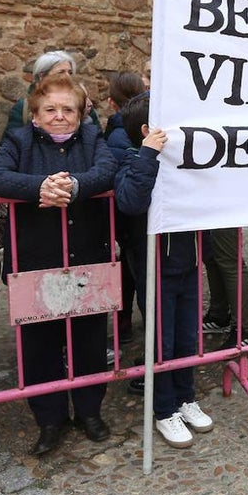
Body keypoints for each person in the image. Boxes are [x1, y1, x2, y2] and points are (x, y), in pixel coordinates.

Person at [0, 74, 118, 456]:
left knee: (88, 340)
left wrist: (73, 186)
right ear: (34, 116)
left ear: (80, 114)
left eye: (67, 109)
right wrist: (39, 187)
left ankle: (89, 411)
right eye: (50, 109)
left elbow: (107, 171)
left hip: (87, 259)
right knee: (40, 345)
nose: (59, 116)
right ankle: (49, 418)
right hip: (36, 260)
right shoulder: (18, 141)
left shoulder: (93, 139)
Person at [113, 93, 215, 448]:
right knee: (163, 342)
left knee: (188, 337)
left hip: (186, 262)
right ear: (147, 131)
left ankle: (186, 397)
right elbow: (130, 201)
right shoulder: (129, 161)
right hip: (155, 268)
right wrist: (147, 155)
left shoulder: (179, 164)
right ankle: (164, 409)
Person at [102, 72, 147, 343]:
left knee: (135, 276)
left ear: (111, 101)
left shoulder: (116, 133)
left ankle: (125, 323)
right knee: (138, 278)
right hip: (136, 222)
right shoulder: (124, 133)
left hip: (131, 224)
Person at [3, 50, 100, 140]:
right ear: (41, 76)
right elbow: (11, 142)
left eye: (70, 72)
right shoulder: (23, 107)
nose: (67, 77)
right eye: (61, 72)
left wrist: (83, 117)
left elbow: (97, 140)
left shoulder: (82, 103)